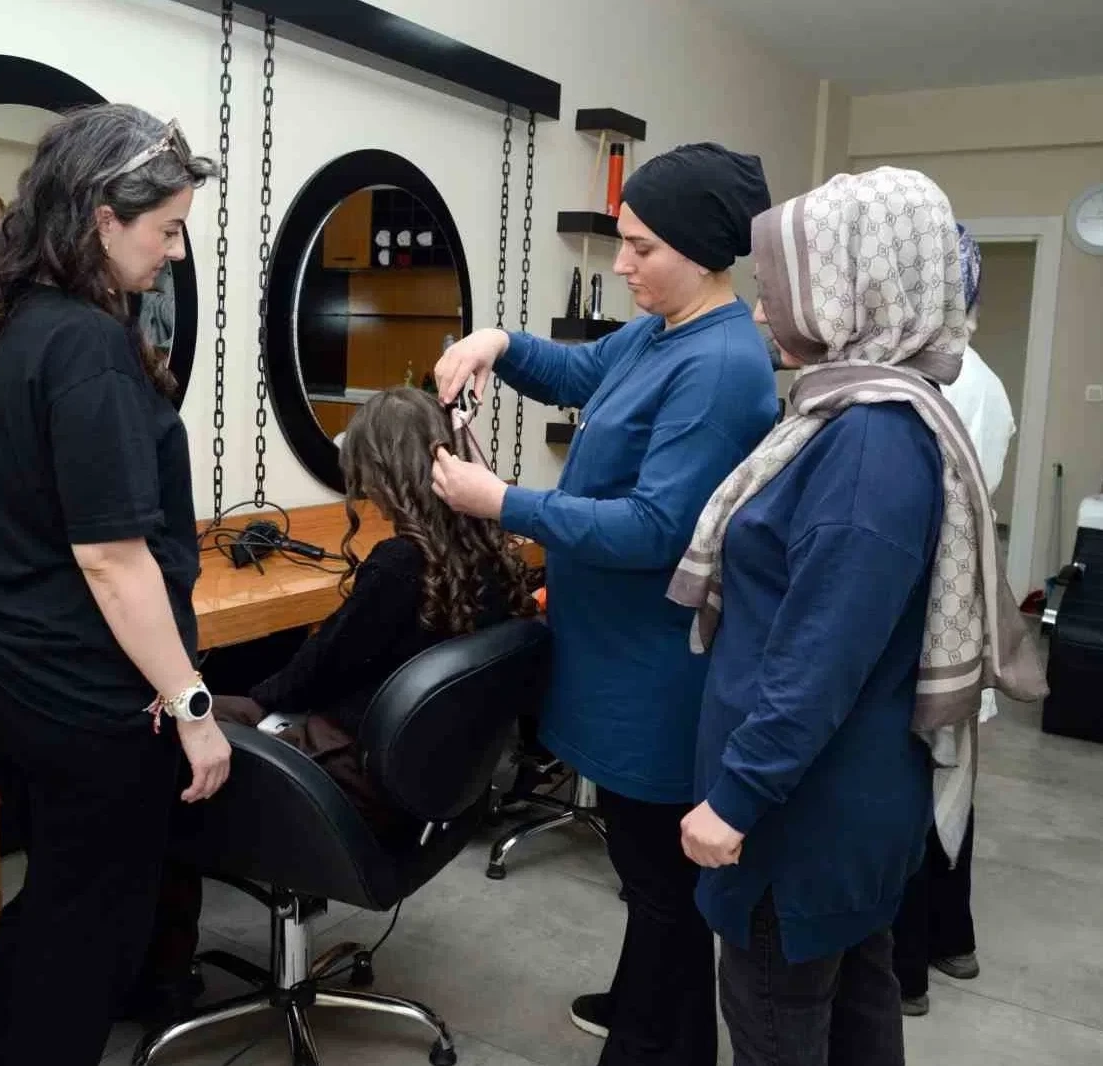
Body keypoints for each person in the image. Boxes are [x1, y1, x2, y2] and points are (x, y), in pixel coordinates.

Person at [670, 167, 1047, 1066]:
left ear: (854, 290)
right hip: (839, 809)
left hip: (799, 824)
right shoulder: (853, 417)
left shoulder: (868, 445)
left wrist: (736, 798)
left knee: (779, 1025)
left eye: (781, 288)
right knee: (858, 1014)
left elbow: (818, 661)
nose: (761, 311)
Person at [432, 142, 778, 1066]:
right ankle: (643, 1005)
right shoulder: (661, 332)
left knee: (662, 884)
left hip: (655, 672)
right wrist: (496, 343)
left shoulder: (720, 366)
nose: (622, 264)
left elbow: (656, 528)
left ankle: (654, 1041)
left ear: (701, 251)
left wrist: (502, 502)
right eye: (622, 241)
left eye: (642, 248)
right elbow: (576, 374)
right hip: (613, 654)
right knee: (646, 874)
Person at [0, 104, 226, 1066]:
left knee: (55, 908)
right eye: (166, 230)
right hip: (79, 698)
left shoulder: (1, 325)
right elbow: (112, 557)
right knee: (86, 938)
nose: (174, 254)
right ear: (103, 218)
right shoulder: (87, 347)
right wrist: (192, 707)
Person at [134, 386, 542, 1022]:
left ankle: (160, 978)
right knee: (221, 699)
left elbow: (312, 675)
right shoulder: (486, 552)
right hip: (425, 784)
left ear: (379, 471)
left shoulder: (400, 563)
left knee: (159, 736)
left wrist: (237, 703)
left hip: (353, 781)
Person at [892, 224, 1016, 1015]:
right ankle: (952, 940)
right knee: (952, 785)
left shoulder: (918, 377)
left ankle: (905, 973)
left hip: (927, 615)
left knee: (912, 793)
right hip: (960, 619)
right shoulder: (988, 379)